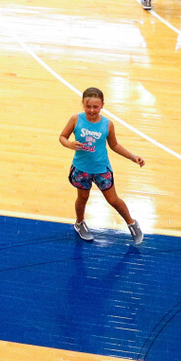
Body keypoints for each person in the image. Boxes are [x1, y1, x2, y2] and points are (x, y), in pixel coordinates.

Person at [58, 86, 145, 244]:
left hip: (101, 170)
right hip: (81, 168)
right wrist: (69, 144)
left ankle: (132, 223)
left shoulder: (107, 124)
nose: (91, 110)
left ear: (102, 105)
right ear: (83, 104)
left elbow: (114, 145)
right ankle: (79, 223)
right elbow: (62, 137)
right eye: (88, 106)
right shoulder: (75, 119)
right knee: (82, 198)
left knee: (113, 200)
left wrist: (133, 157)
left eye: (95, 106)